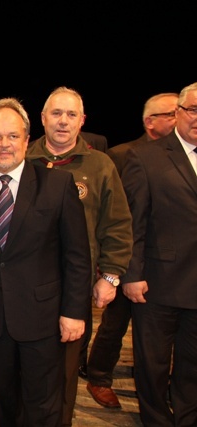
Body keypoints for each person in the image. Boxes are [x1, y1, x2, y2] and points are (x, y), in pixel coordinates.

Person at [0, 97, 91, 425]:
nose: (4, 145)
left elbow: (77, 257)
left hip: (44, 319)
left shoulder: (57, 185)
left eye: (12, 136)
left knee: (43, 405)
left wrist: (73, 312)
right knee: (3, 400)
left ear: (27, 140)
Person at [25, 86, 133, 425]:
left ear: (82, 121)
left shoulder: (100, 165)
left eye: (71, 115)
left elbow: (117, 223)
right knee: (26, 366)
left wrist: (111, 276)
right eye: (56, 113)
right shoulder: (21, 159)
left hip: (75, 287)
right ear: (42, 119)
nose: (63, 121)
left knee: (66, 370)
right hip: (25, 285)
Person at [85, 92, 178, 409]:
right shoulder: (122, 154)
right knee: (115, 323)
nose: (179, 119)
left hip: (171, 261)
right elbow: (112, 213)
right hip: (131, 257)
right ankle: (98, 375)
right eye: (172, 113)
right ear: (151, 121)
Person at [120, 82, 197, 426]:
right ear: (178, 113)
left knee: (193, 362)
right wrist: (131, 275)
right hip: (157, 283)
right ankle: (155, 419)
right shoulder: (145, 157)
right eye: (193, 110)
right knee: (152, 364)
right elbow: (133, 223)